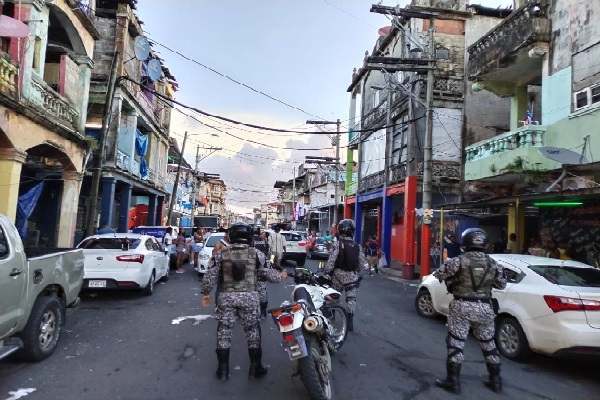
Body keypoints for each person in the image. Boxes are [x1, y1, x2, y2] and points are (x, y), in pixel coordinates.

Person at [201, 222, 287, 381]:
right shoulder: (256, 254)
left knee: (224, 331)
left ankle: (222, 371)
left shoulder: (221, 254)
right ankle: (255, 369)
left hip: (226, 297)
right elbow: (271, 275)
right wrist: (280, 276)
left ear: (231, 236)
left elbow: (209, 276)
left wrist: (206, 293)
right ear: (249, 236)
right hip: (250, 298)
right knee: (252, 331)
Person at [433, 228, 507, 395]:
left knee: (456, 343)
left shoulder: (457, 261)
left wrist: (454, 279)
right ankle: (496, 381)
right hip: (485, 307)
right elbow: (501, 285)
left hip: (461, 306)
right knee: (489, 343)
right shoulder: (494, 263)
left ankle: (453, 382)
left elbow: (438, 274)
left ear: (465, 243)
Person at [323, 219, 368, 332]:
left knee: (334, 295)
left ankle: (332, 316)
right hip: (352, 277)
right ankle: (350, 319)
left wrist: (327, 272)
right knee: (351, 298)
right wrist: (357, 274)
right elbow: (363, 265)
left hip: (338, 275)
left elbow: (331, 261)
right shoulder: (357, 246)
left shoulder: (337, 244)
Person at [252, 228, 271, 319]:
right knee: (262, 291)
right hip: (262, 268)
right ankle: (263, 311)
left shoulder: (249, 241)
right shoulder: (264, 241)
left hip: (249, 270)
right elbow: (269, 254)